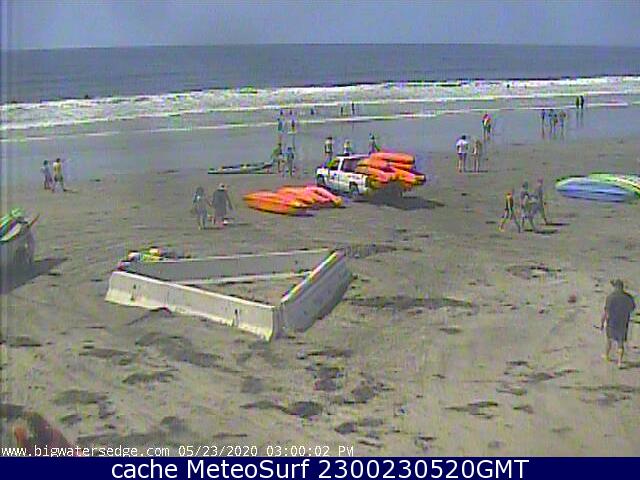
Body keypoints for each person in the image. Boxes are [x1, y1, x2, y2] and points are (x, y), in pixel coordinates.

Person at [600, 279, 636, 368]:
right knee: (621, 341)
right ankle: (619, 362)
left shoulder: (610, 297)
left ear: (615, 287)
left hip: (612, 321)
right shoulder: (628, 297)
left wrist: (602, 323)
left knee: (609, 338)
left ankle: (606, 355)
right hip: (623, 321)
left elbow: (606, 312)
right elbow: (632, 308)